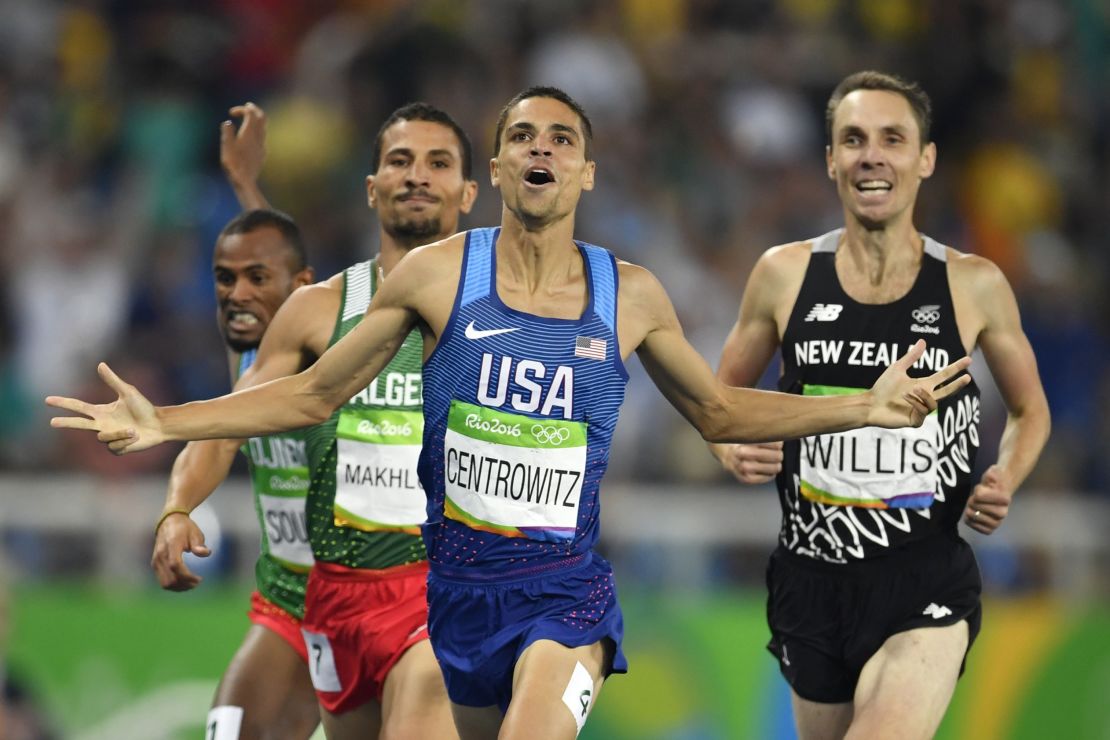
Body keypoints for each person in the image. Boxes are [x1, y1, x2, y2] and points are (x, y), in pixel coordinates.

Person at [48, 86, 971, 740]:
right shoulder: (441, 277)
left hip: (562, 600)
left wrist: (864, 406)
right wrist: (167, 422)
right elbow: (315, 391)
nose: (542, 149)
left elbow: (722, 412)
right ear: (495, 170)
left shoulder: (631, 294)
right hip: (453, 602)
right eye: (524, 136)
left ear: (588, 173)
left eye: (562, 139)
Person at [710, 70, 1051, 740]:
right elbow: (720, 401)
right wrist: (728, 446)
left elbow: (1030, 408)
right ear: (831, 159)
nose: (872, 155)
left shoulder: (973, 285)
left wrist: (1006, 474)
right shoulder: (784, 275)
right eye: (854, 139)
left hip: (923, 576)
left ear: (925, 159)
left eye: (893, 139)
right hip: (810, 577)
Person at [155, 101, 477, 739]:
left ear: (469, 191)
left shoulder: (510, 314)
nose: (416, 175)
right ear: (371, 187)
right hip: (318, 596)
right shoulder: (315, 312)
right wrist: (176, 506)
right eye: (399, 161)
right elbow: (229, 422)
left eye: (437, 163)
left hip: (440, 593)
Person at [149, 105, 321, 740]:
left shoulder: (333, 351)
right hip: (283, 598)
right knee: (228, 728)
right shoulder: (247, 347)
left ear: (305, 289)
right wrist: (246, 185)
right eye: (224, 280)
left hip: (366, 593)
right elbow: (216, 437)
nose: (236, 294)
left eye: (254, 281)